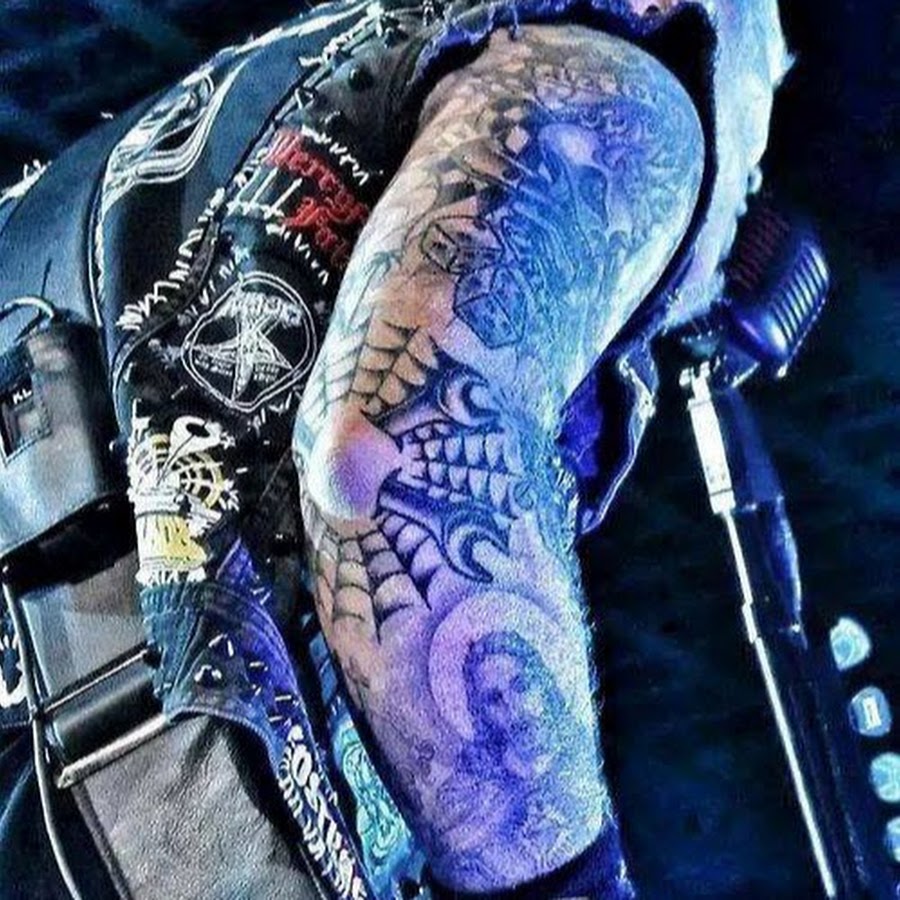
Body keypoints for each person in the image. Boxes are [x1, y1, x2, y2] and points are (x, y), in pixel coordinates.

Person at [0, 0, 793, 897]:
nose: (753, 188)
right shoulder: (619, 94)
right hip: (129, 808)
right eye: (768, 93)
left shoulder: (266, 99)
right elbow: (387, 460)